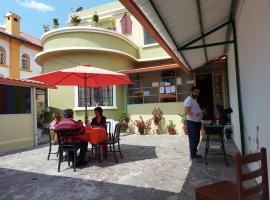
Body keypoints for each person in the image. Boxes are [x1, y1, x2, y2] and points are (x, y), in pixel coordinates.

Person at [184, 86, 203, 162]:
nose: (197, 94)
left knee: (197, 139)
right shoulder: (189, 99)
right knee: (193, 140)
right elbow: (186, 110)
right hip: (192, 123)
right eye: (196, 92)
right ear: (191, 92)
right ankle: (192, 157)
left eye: (198, 92)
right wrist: (194, 114)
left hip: (197, 122)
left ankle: (194, 154)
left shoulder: (194, 100)